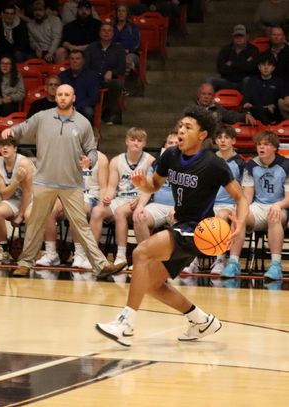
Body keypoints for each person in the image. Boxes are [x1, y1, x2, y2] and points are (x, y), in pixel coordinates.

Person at [96, 105, 248, 347]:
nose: (181, 130)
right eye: (180, 126)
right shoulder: (170, 155)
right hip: (181, 225)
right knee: (152, 284)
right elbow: (154, 186)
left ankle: (125, 324)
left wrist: (239, 224)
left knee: (140, 252)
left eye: (188, 127)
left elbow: (240, 197)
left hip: (198, 230)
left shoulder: (214, 164)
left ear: (202, 135)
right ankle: (201, 320)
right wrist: (141, 182)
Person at [1, 84, 118, 277]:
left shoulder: (83, 123)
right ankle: (24, 263)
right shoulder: (42, 117)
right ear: (56, 97)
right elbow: (22, 128)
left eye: (67, 95)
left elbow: (91, 150)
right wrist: (10, 131)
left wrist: (90, 160)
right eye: (60, 94)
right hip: (44, 181)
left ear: (74, 98)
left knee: (81, 225)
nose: (63, 97)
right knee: (35, 223)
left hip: (72, 184)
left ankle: (100, 264)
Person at [36, 128, 109, 269]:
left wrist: (103, 203)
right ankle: (51, 254)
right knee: (49, 208)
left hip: (91, 197)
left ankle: (80, 253)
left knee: (77, 208)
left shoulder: (101, 158)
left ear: (96, 142)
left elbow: (104, 186)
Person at [221, 130, 289, 280]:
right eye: (259, 144)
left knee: (274, 216)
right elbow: (248, 195)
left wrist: (278, 205)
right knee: (240, 215)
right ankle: (233, 262)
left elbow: (288, 198)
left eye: (266, 144)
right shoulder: (251, 165)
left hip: (280, 206)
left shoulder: (285, 165)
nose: (261, 148)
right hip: (258, 206)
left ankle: (276, 265)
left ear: (275, 148)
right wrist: (241, 209)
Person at [182, 125, 246, 275]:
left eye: (226, 138)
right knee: (194, 216)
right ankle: (192, 261)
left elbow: (243, 192)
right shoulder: (208, 159)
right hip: (207, 202)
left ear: (233, 141)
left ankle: (220, 260)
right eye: (219, 138)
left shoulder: (241, 163)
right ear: (215, 141)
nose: (223, 141)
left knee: (221, 217)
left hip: (228, 205)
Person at [89, 127, 154, 270]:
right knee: (97, 211)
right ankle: (93, 256)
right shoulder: (116, 161)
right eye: (132, 139)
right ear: (126, 141)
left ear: (144, 143)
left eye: (139, 140)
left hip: (139, 200)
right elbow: (112, 187)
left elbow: (151, 187)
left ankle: (121, 256)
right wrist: (107, 198)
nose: (135, 143)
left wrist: (140, 200)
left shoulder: (150, 160)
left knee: (120, 212)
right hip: (120, 198)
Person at [0, 137, 35, 264]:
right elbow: (4, 195)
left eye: (8, 146)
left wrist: (20, 215)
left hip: (32, 199)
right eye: (2, 146)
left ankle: (29, 253)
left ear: (15, 148)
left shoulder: (24, 163)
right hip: (14, 199)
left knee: (28, 215)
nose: (4, 148)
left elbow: (27, 192)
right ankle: (3, 251)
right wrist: (16, 181)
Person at [132, 132, 179, 244]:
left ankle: (179, 261)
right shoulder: (157, 163)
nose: (173, 145)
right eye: (170, 142)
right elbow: (149, 187)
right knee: (139, 217)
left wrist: (179, 207)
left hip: (179, 207)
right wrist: (140, 206)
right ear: (165, 146)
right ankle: (147, 256)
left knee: (183, 221)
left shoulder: (189, 163)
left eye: (176, 143)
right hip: (158, 205)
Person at [84, 22, 126, 125]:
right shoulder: (91, 48)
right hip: (92, 79)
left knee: (117, 84)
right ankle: (96, 114)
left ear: (113, 34)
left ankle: (110, 114)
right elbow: (85, 66)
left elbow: (122, 68)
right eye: (104, 30)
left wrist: (112, 72)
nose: (106, 33)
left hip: (109, 80)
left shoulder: (119, 49)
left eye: (109, 31)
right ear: (99, 33)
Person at [242, 53, 289, 124]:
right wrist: (263, 107)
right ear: (259, 67)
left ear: (273, 68)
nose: (266, 68)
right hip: (256, 112)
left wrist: (274, 106)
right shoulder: (252, 81)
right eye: (263, 65)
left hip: (272, 113)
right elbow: (246, 100)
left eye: (269, 65)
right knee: (248, 110)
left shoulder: (279, 82)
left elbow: (284, 98)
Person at [211, 24, 259, 91]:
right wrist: (243, 63)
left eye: (241, 36)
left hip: (243, 82)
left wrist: (231, 63)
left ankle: (246, 101)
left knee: (248, 80)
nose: (239, 38)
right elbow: (221, 69)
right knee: (211, 81)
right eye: (236, 36)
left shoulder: (253, 50)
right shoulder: (225, 50)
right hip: (227, 81)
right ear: (232, 37)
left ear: (247, 37)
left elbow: (251, 68)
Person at [58, 49, 100, 123]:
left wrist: (76, 107)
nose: (74, 61)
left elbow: (93, 97)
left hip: (83, 106)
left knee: (88, 111)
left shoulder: (92, 76)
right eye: (72, 59)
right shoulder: (62, 76)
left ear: (83, 61)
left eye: (77, 59)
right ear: (69, 61)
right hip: (65, 105)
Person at [191, 82, 256, 125]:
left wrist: (245, 115)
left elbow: (231, 116)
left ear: (213, 97)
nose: (206, 97)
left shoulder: (218, 108)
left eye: (209, 94)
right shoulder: (191, 109)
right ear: (198, 95)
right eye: (203, 94)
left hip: (215, 142)